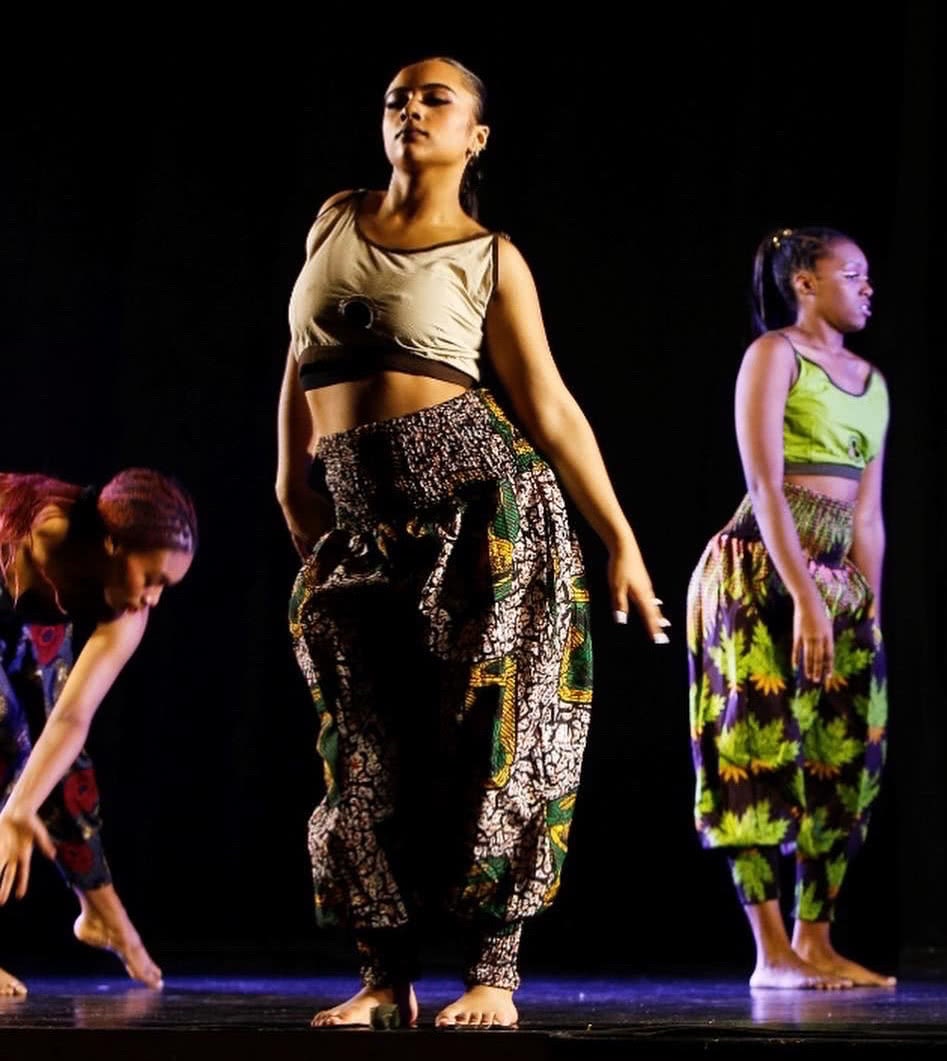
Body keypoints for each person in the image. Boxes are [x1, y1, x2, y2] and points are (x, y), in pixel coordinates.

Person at [278, 56, 667, 1029]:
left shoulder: (491, 256)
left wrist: (616, 535)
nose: (410, 109)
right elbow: (301, 355)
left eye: (434, 98)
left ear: (475, 137)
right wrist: (291, 479)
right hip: (363, 519)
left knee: (494, 742)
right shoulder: (334, 216)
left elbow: (549, 406)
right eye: (396, 98)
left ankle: (493, 971)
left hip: (484, 513)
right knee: (364, 748)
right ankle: (383, 977)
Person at [686, 226, 895, 990]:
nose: (867, 287)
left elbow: (867, 515)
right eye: (852, 274)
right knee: (754, 746)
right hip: (755, 574)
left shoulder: (871, 383)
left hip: (838, 581)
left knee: (843, 753)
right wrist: (803, 595)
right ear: (805, 282)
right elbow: (768, 484)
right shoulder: (773, 355)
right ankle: (770, 951)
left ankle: (816, 938)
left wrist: (863, 608)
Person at [0, 469, 197, 996]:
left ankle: (103, 915)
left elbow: (71, 716)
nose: (154, 598)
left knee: (55, 759)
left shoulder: (128, 610)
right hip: (7, 572)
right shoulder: (37, 534)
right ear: (110, 543)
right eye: (150, 577)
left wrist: (20, 808)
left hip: (31, 612)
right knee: (5, 729)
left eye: (167, 586)